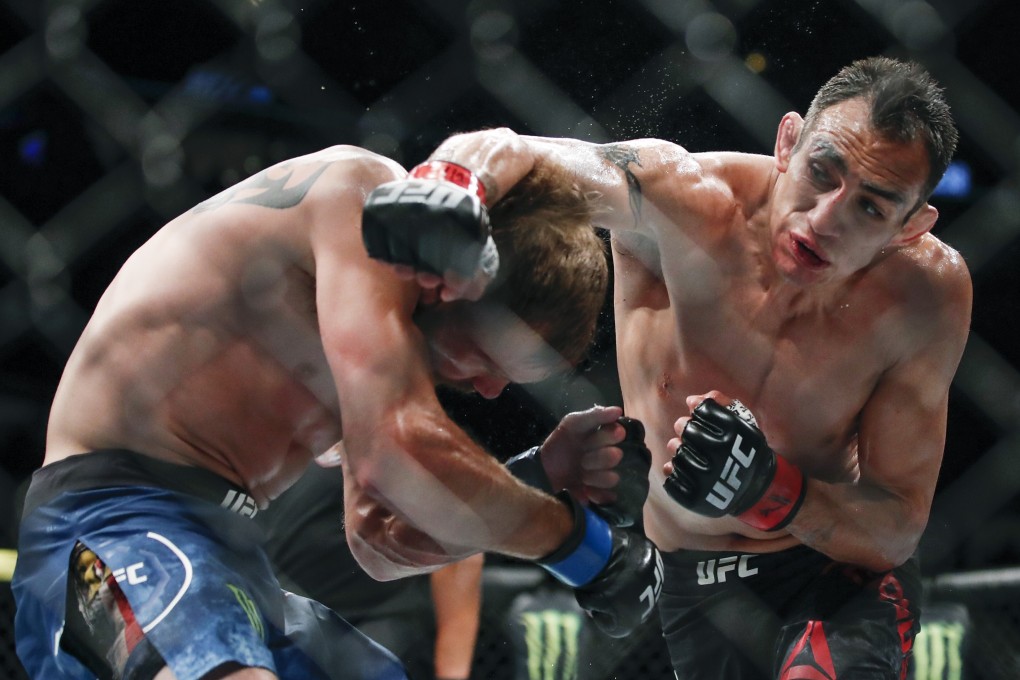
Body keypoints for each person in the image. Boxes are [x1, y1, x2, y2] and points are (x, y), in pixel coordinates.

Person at [361, 56, 972, 679]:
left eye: (871, 208)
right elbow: (513, 152)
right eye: (822, 171)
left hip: (832, 571)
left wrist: (773, 493)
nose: (825, 219)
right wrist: (454, 183)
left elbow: (896, 525)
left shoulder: (927, 294)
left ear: (911, 226)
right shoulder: (687, 200)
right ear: (788, 142)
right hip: (690, 577)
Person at [11, 145, 664, 680]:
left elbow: (379, 540)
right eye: (491, 360)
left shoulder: (377, 342)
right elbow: (399, 447)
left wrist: (536, 477)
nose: (491, 392)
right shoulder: (364, 195)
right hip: (114, 522)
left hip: (233, 556)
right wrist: (583, 547)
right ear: (472, 279)